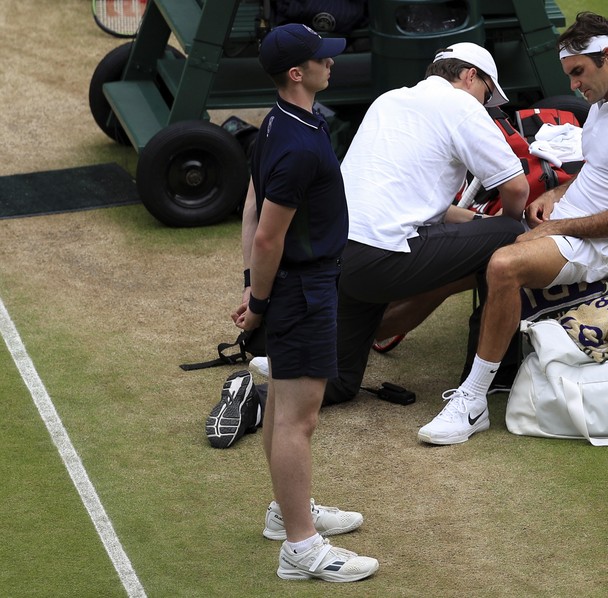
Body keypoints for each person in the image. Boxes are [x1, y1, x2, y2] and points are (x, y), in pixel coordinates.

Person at [417, 11, 608, 445]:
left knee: (502, 264)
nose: (574, 86)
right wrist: (553, 196)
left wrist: (554, 229)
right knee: (455, 253)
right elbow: (598, 173)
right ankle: (352, 344)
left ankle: (474, 400)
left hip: (605, 246)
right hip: (569, 225)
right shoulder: (603, 106)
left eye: (578, 73)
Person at [232, 23, 378, 582]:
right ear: (298, 72)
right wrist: (262, 301)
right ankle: (300, 548)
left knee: (282, 401)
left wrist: (251, 286)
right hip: (302, 290)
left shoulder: (274, 125)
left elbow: (251, 208)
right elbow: (268, 233)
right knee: (299, 418)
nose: (332, 63)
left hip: (290, 286)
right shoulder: (299, 143)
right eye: (323, 59)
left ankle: (284, 512)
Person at [324, 41, 530, 406]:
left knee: (339, 385)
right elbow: (516, 188)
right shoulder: (462, 105)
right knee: (512, 236)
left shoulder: (388, 100)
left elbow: (417, 201)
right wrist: (506, 228)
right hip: (382, 259)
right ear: (470, 76)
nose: (484, 104)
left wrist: (481, 224)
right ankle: (491, 379)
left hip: (340, 259)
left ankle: (255, 398)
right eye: (486, 94)